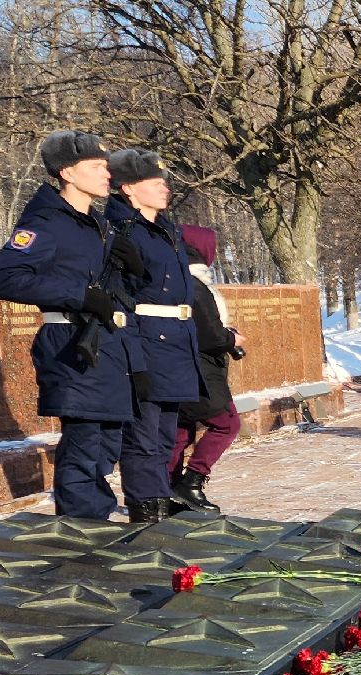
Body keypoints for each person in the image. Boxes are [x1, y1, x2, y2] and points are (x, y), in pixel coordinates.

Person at [0, 130, 135, 521]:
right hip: (71, 344)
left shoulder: (97, 223)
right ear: (67, 172)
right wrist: (79, 295)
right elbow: (3, 278)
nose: (108, 174)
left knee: (107, 442)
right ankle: (83, 530)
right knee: (85, 443)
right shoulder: (47, 222)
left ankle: (94, 521)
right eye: (97, 166)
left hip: (106, 344)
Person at [103, 148, 200, 524]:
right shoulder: (121, 231)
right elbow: (120, 298)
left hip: (176, 341)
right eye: (154, 182)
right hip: (145, 339)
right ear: (128, 188)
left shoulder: (166, 229)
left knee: (164, 434)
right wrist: (132, 356)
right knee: (143, 434)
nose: (165, 188)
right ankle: (146, 509)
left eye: (165, 181)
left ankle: (159, 499)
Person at [169, 224, 244, 516]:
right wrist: (230, 339)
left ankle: (167, 489)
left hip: (179, 367)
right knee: (227, 423)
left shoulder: (176, 279)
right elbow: (208, 335)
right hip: (199, 369)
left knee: (180, 431)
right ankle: (191, 482)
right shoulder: (195, 285)